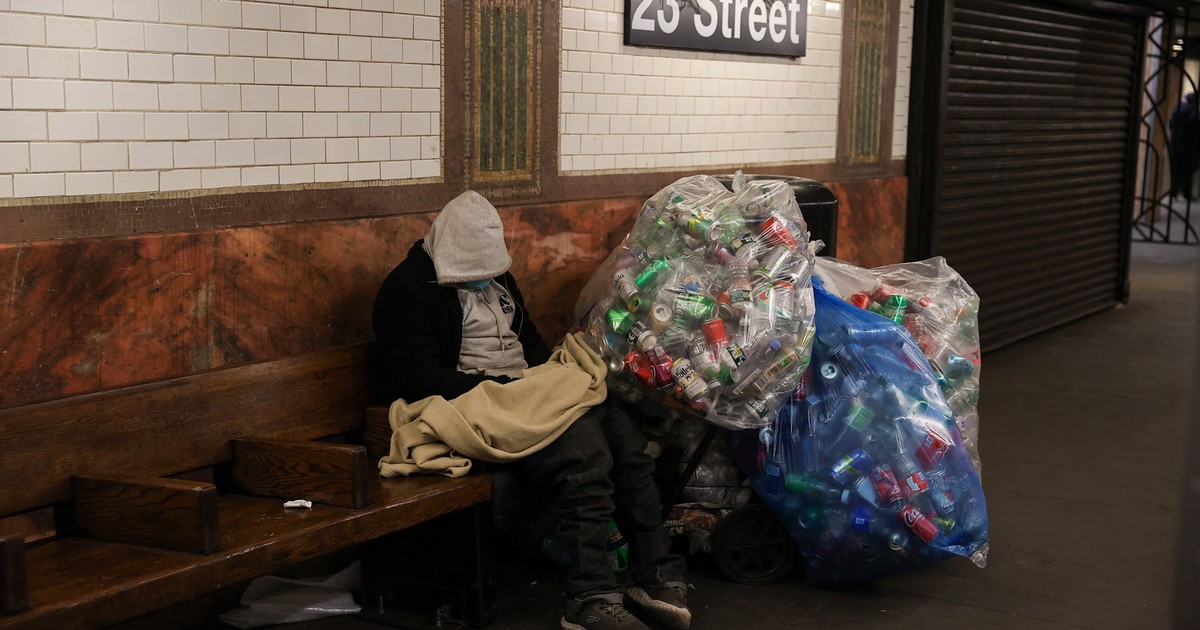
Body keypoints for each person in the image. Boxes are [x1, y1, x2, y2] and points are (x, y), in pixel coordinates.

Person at [372, 190, 692, 630]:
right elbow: (419, 379)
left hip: (526, 390)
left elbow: (534, 347)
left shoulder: (497, 278)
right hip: (477, 401)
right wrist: (512, 390)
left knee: (626, 440)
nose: (487, 280)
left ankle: (657, 571)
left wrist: (552, 381)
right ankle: (590, 597)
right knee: (586, 457)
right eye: (476, 274)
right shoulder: (404, 292)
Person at [1169, 92, 1200, 201]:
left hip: (1174, 146)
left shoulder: (1175, 110)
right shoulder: (1193, 113)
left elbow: (1171, 126)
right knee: (1187, 172)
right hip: (1189, 148)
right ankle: (1186, 194)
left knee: (1175, 171)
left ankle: (1173, 194)